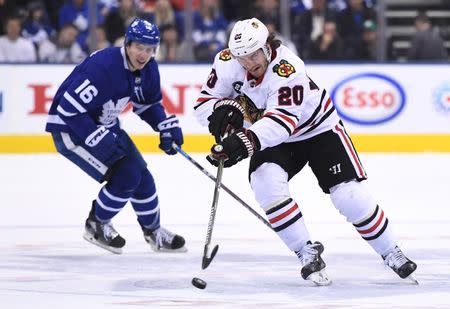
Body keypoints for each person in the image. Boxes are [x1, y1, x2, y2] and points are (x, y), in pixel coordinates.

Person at [194, 17, 417, 285]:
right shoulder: (227, 61)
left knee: (348, 194)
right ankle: (305, 252)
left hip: (317, 129)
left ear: (267, 46)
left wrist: (242, 141)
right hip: (271, 136)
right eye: (242, 57)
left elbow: (282, 122)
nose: (249, 63)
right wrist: (223, 113)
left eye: (254, 54)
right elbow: (203, 104)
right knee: (265, 183)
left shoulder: (288, 68)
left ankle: (391, 251)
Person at [45, 18, 186, 254]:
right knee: (127, 175)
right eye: (139, 47)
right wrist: (96, 136)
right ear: (128, 44)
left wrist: (164, 125)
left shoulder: (148, 68)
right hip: (71, 129)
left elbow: (148, 104)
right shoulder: (105, 67)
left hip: (105, 124)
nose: (144, 54)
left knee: (142, 177)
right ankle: (96, 224)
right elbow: (69, 109)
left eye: (150, 49)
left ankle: (154, 233)